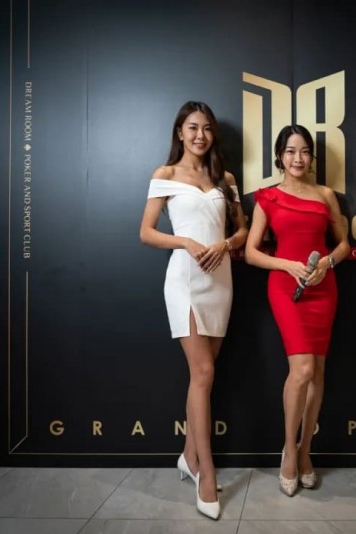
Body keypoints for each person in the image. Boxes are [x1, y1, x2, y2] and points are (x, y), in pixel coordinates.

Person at [140, 101, 248, 520]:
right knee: (203, 373)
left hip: (220, 281)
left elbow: (242, 230)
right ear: (179, 132)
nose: (199, 135)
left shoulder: (226, 179)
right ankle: (207, 473)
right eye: (192, 127)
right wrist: (184, 241)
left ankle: (188, 456)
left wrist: (227, 243)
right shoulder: (165, 175)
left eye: (206, 128)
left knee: (202, 376)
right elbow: (146, 232)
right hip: (184, 279)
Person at [244, 124, 350, 497]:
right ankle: (289, 450)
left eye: (304, 151)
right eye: (290, 151)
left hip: (324, 287)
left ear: (311, 156)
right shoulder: (268, 197)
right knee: (302, 370)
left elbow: (344, 245)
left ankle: (306, 451)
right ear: (279, 156)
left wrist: (327, 264)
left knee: (317, 373)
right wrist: (287, 265)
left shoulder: (325, 195)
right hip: (286, 288)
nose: (298, 158)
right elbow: (251, 252)